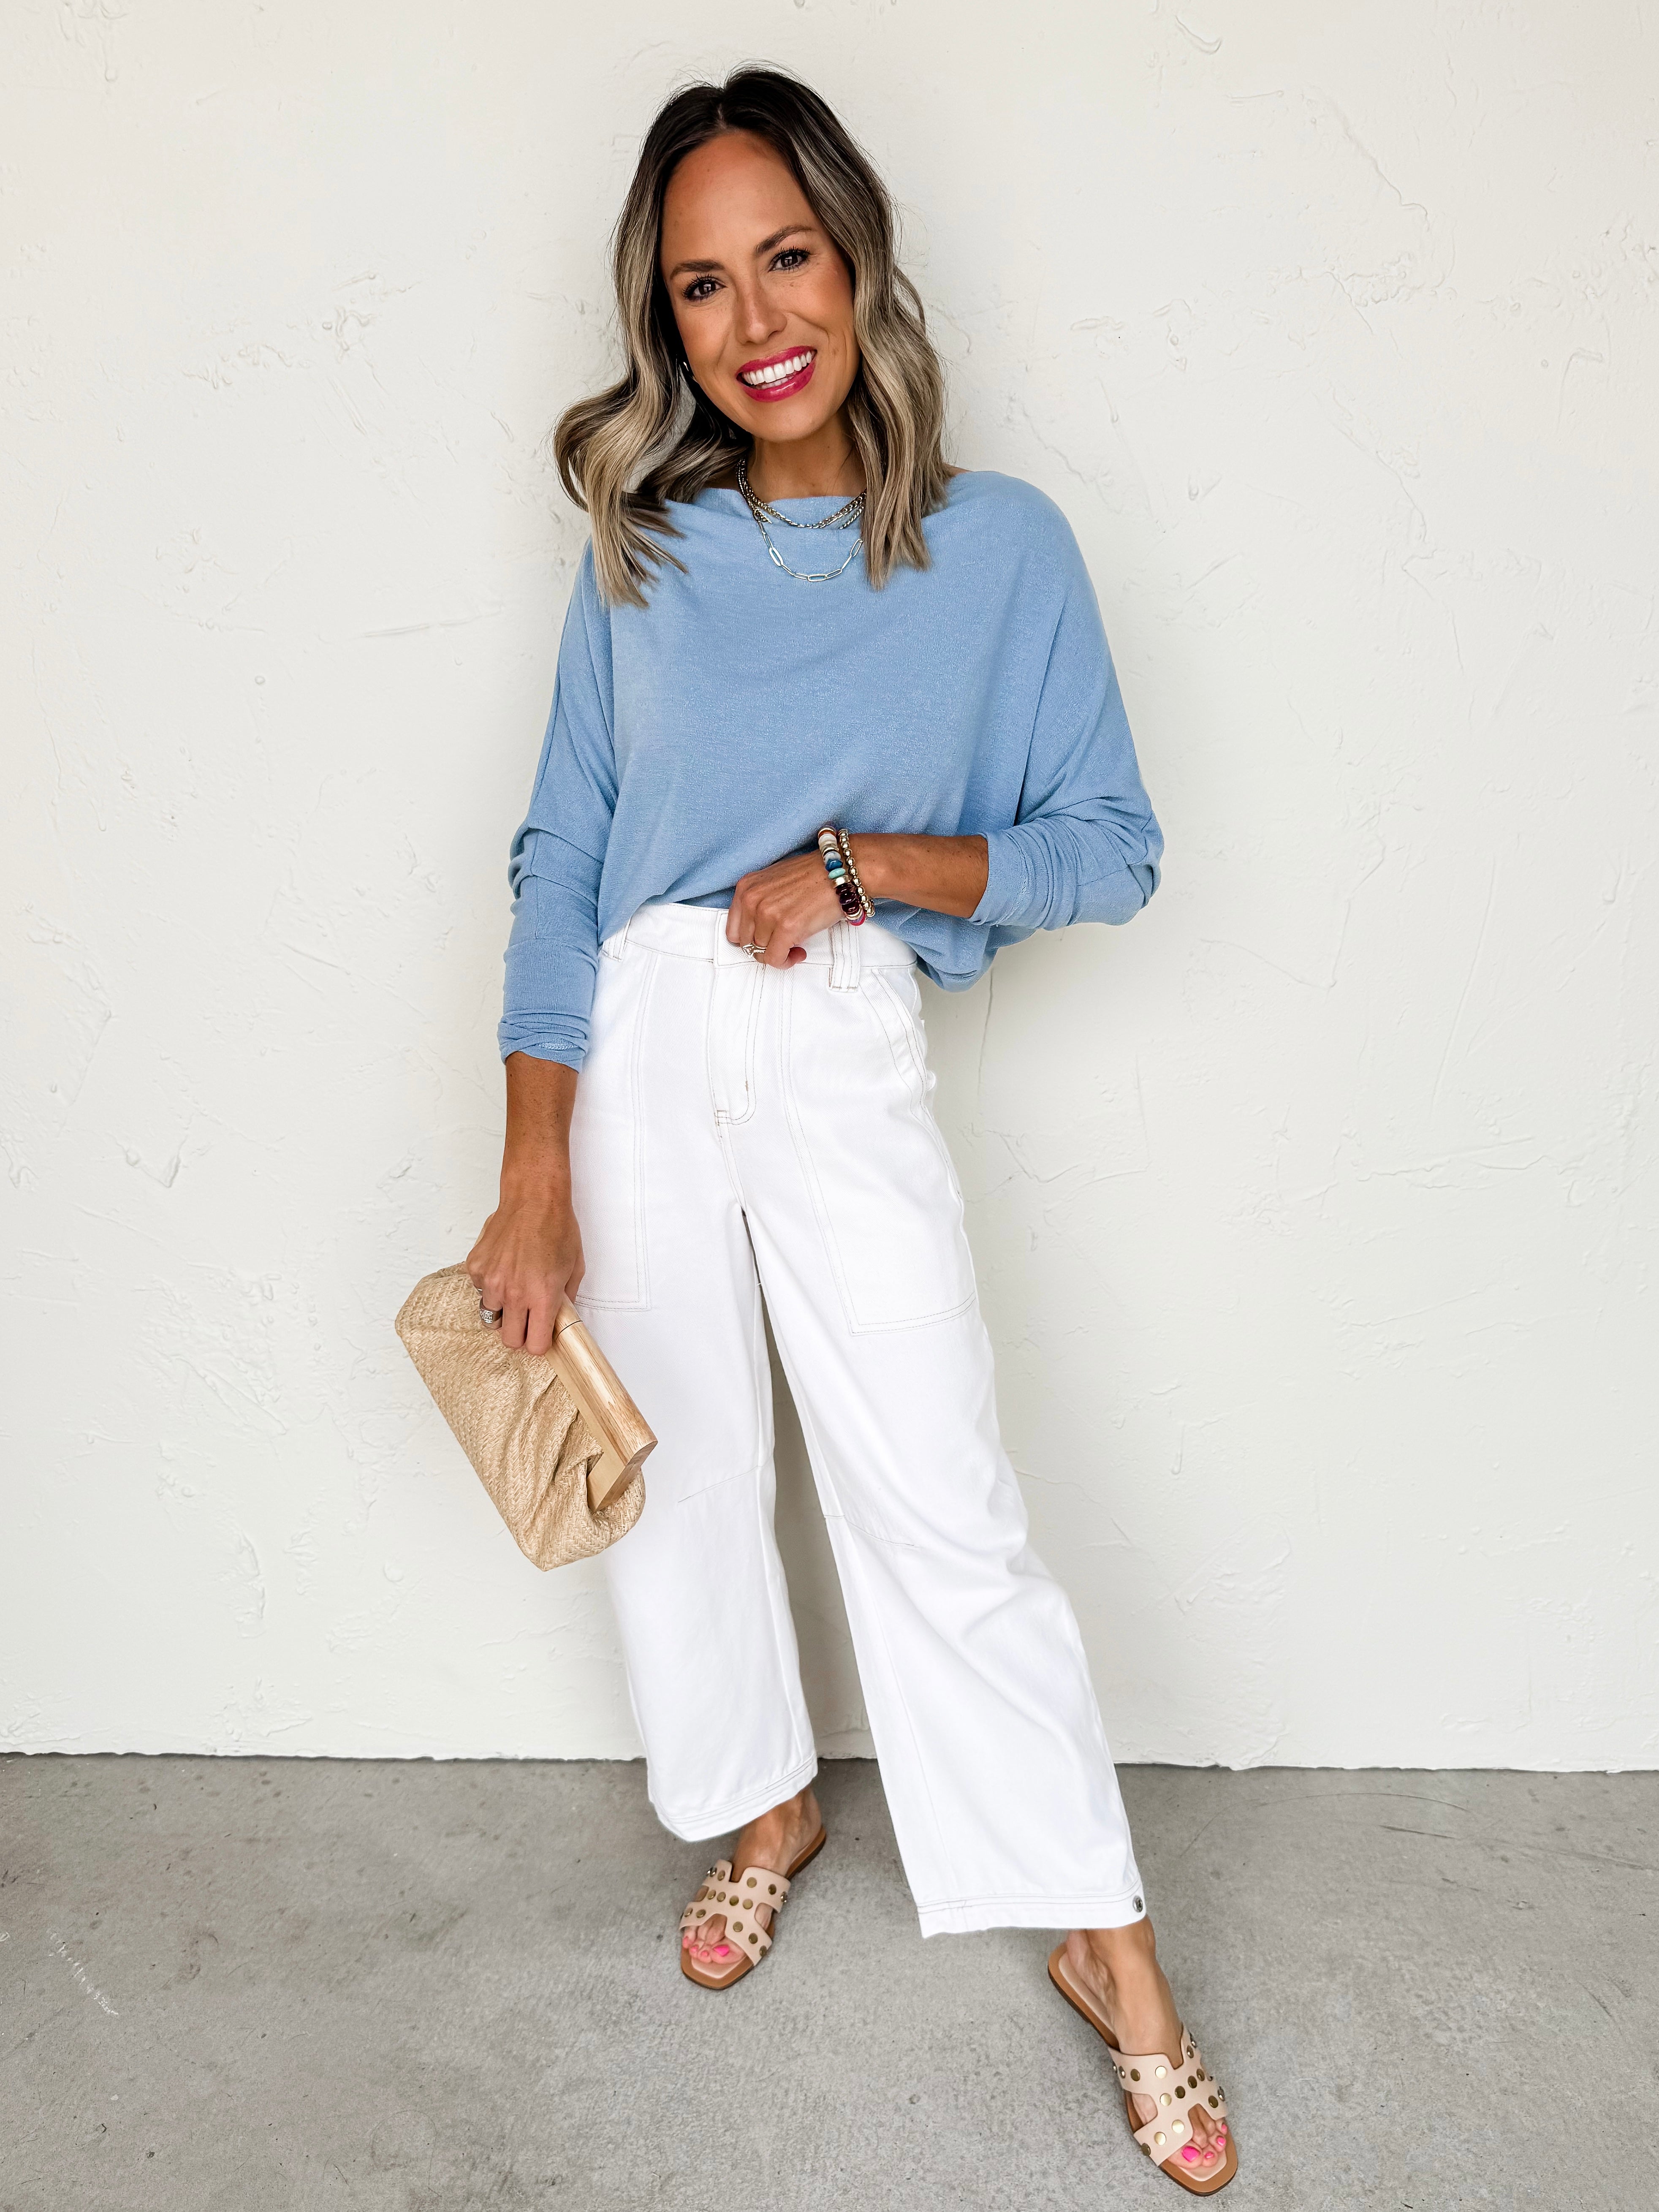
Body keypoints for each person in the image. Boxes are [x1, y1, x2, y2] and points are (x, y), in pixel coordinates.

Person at [468, 66, 1235, 2193]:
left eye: (784, 256)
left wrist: (869, 864)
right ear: (665, 323)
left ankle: (1106, 1941)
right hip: (638, 1033)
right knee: (676, 1478)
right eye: (699, 286)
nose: (754, 320)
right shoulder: (644, 550)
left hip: (830, 1020)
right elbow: (559, 856)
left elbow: (1109, 845)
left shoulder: (1004, 554)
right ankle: (763, 1799)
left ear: (857, 250)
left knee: (938, 1494)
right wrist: (530, 1166)